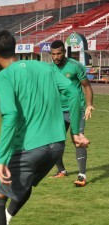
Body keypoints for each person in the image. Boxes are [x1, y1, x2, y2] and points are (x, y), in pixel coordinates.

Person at [0, 30, 88, 225]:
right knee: (24, 186)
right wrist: (77, 132)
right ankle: (7, 218)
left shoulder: (4, 78)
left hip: (29, 148)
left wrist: (1, 159)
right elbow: (72, 92)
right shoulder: (45, 67)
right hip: (56, 146)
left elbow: (10, 116)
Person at [49, 40, 94, 187]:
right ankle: (61, 170)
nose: (56, 57)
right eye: (53, 54)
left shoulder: (75, 66)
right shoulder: (49, 69)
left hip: (76, 110)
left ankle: (82, 176)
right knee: (54, 143)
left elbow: (86, 86)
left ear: (64, 52)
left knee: (78, 140)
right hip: (57, 111)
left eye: (59, 53)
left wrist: (88, 105)